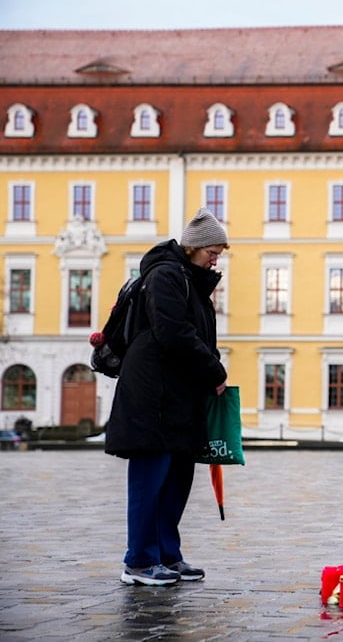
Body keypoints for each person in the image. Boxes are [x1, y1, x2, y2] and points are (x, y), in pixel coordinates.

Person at [105, 208, 229, 586]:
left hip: (177, 398)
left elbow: (197, 338)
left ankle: (167, 556)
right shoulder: (165, 276)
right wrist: (214, 370)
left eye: (220, 252)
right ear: (192, 246)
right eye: (212, 249)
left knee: (175, 481)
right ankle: (139, 562)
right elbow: (173, 333)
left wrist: (209, 368)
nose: (216, 257)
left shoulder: (191, 282)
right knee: (150, 481)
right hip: (151, 397)